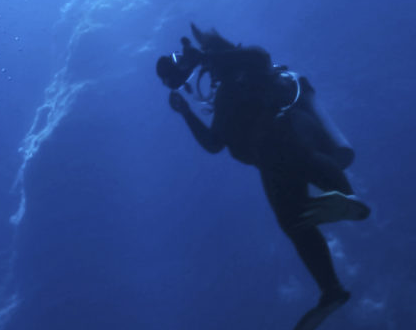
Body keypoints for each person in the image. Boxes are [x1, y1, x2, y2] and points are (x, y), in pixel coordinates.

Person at [158, 25, 369, 310]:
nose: (209, 73)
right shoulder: (226, 96)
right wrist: (186, 113)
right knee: (293, 224)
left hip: (290, 136)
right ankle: (331, 287)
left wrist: (206, 56)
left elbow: (258, 56)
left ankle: (345, 198)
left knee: (302, 168)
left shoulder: (250, 69)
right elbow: (214, 143)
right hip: (271, 163)